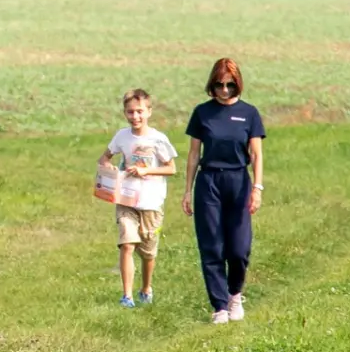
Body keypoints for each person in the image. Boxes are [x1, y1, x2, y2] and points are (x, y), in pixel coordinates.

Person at [181, 58, 265, 324]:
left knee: (239, 249)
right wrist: (187, 190)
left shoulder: (249, 113)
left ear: (237, 83)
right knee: (212, 246)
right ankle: (219, 306)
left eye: (230, 85)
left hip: (238, 180)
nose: (224, 90)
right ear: (212, 84)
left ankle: (235, 294)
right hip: (209, 183)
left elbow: (256, 154)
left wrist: (257, 188)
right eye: (219, 85)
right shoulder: (202, 113)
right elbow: (194, 155)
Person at [104, 89, 178, 308]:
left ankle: (146, 288)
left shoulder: (158, 139)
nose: (135, 117)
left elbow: (171, 168)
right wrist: (107, 167)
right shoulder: (121, 136)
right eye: (130, 112)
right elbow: (105, 157)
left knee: (147, 252)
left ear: (149, 112)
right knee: (127, 244)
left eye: (139, 112)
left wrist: (147, 171)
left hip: (151, 202)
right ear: (124, 113)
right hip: (126, 199)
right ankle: (126, 297)